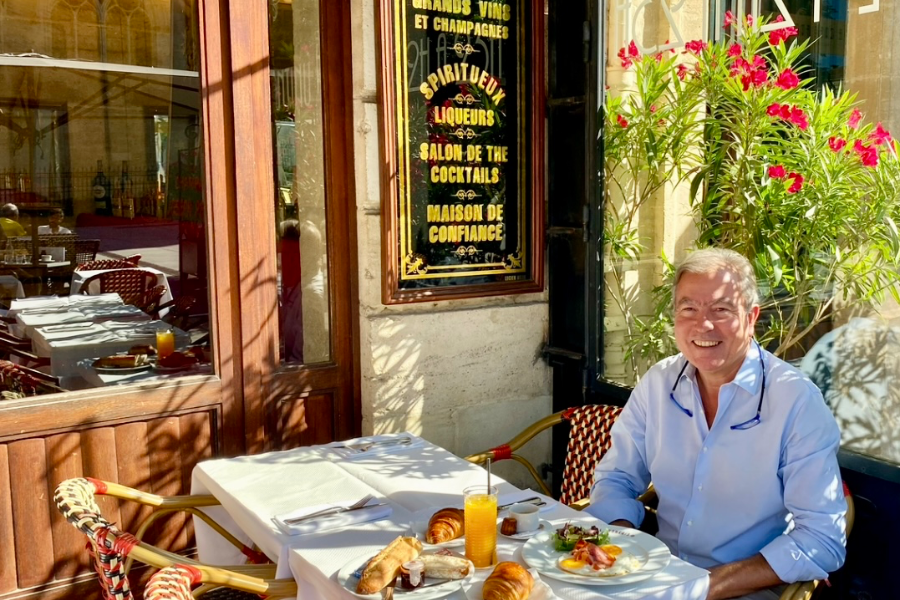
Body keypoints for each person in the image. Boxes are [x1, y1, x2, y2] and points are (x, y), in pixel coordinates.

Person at [587, 248, 847, 600]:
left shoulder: (796, 402)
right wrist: (622, 546)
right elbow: (616, 478)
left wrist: (699, 587)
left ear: (752, 317)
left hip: (743, 590)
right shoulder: (659, 383)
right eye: (688, 309)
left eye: (721, 309)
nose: (703, 324)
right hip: (655, 577)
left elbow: (822, 539)